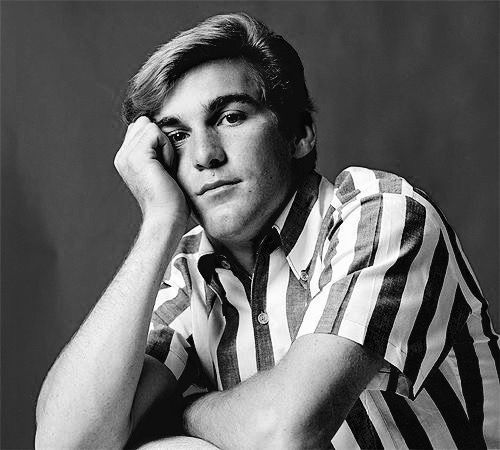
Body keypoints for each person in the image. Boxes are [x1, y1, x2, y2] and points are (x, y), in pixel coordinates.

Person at [35, 13, 499, 449]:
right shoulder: (189, 271)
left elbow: (289, 430)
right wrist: (159, 225)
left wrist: (183, 411)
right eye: (176, 135)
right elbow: (66, 443)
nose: (205, 155)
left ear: (299, 133)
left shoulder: (383, 215)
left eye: (230, 117)